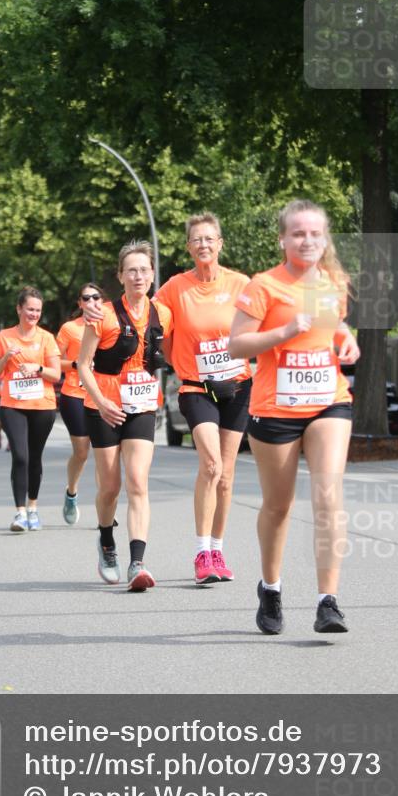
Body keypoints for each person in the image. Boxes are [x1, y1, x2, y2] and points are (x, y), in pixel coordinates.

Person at [229, 199, 360, 636]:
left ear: (326, 239)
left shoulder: (334, 282)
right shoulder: (263, 286)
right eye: (298, 233)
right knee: (279, 505)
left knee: (328, 495)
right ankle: (270, 587)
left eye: (315, 234)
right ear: (283, 239)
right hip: (275, 407)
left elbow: (334, 325)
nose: (308, 240)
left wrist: (347, 340)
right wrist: (284, 332)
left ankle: (328, 601)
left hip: (329, 400)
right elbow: (237, 346)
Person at [154, 212, 252, 585]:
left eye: (210, 238)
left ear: (220, 243)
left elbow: (258, 325)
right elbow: (157, 329)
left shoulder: (240, 283)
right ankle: (200, 553)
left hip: (238, 387)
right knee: (210, 466)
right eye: (197, 240)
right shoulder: (174, 289)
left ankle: (217, 550)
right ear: (188, 247)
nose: (204, 245)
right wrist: (176, 360)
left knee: (226, 477)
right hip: (197, 387)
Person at [77, 240, 171, 591]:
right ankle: (106, 542)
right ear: (120, 276)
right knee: (110, 487)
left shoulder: (163, 313)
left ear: (152, 275)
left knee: (137, 482)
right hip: (104, 407)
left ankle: (137, 562)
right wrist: (101, 401)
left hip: (143, 405)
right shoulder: (103, 315)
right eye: (131, 270)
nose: (138, 275)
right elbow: (82, 365)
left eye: (144, 270)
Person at [0, 287, 61, 532]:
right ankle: (19, 513)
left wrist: (38, 368)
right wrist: (6, 357)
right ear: (19, 308)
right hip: (13, 405)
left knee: (35, 457)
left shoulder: (46, 338)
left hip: (42, 405)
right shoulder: (5, 337)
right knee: (21, 456)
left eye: (38, 310)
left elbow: (56, 374)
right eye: (30, 309)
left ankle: (33, 508)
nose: (34, 314)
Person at [56, 283, 106, 525]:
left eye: (96, 297)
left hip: (103, 394)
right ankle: (71, 493)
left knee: (103, 451)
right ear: (80, 303)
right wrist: (77, 364)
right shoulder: (69, 329)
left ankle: (105, 506)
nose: (92, 301)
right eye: (86, 298)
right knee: (82, 452)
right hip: (75, 393)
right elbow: (54, 362)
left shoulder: (109, 323)